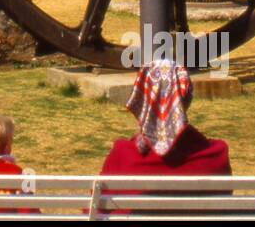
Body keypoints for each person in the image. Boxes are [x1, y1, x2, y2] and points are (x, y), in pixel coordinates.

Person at [99, 61, 231, 215]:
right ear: (187, 99)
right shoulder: (216, 155)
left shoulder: (121, 155)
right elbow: (224, 201)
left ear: (141, 98)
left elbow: (96, 210)